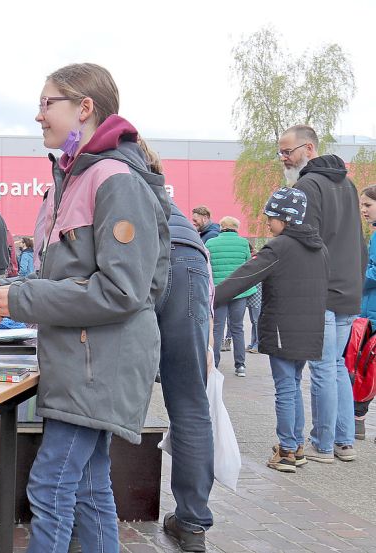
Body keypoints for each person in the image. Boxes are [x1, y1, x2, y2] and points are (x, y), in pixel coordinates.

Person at [0, 63, 170, 552]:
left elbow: (123, 289)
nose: (38, 115)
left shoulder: (113, 178)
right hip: (85, 362)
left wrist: (23, 298)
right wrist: (13, 295)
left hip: (98, 365)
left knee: (51, 485)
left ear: (85, 108)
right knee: (87, 487)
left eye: (47, 103)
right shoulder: (74, 174)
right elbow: (65, 276)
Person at [214, 188, 328, 472]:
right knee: (294, 385)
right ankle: (296, 445)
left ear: (286, 218)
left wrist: (209, 297)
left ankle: (287, 449)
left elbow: (244, 277)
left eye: (271, 216)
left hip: (283, 328)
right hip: (310, 328)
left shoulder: (279, 248)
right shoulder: (320, 248)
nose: (267, 221)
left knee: (285, 388)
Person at [138, 137, 215, 551]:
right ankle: (192, 522)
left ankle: (96, 507)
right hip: (190, 264)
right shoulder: (175, 207)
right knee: (190, 402)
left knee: (112, 391)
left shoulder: (114, 182)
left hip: (146, 261)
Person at [282, 124, 365, 462]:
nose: (284, 158)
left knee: (322, 369)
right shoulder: (347, 183)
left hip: (322, 290)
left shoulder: (306, 185)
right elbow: (355, 240)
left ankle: (324, 444)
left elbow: (305, 242)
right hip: (348, 288)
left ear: (310, 149)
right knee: (336, 367)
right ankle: (344, 442)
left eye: (288, 151)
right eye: (281, 152)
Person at [206, 216, 255, 376]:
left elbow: (207, 267)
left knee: (217, 328)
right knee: (237, 328)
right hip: (239, 292)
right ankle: (240, 365)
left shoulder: (211, 243)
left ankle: (214, 364)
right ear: (236, 228)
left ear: (221, 227)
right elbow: (248, 265)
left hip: (219, 292)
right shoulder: (243, 243)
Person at [354, 185, 376, 440]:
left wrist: (355, 276)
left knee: (365, 368)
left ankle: (357, 421)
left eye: (368, 205)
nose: (363, 210)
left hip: (371, 313)